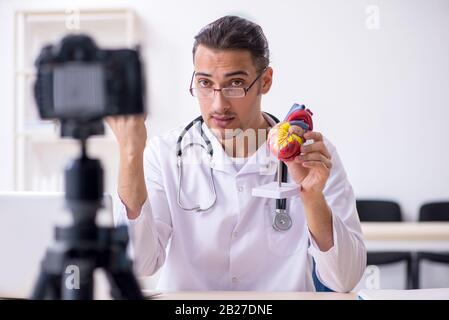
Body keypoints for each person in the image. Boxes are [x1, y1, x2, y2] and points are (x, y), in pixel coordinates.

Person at [107, 15, 366, 292]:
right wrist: (130, 152)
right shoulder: (166, 154)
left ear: (265, 81)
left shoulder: (312, 156)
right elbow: (139, 264)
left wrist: (312, 196)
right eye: (205, 83)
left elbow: (345, 280)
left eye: (235, 84)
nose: (219, 104)